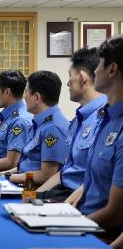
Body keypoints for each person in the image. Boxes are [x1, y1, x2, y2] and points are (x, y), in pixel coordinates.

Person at [67, 35, 123, 233]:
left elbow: (115, 213)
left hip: (101, 231)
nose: (95, 70)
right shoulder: (105, 118)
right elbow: (90, 182)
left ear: (112, 69)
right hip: (83, 218)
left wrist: (68, 228)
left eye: (99, 64)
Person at [36, 48, 106, 201]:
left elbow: (95, 178)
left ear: (82, 77)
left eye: (70, 76)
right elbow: (65, 172)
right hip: (62, 191)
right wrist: (35, 196)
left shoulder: (105, 119)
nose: (67, 82)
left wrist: (65, 209)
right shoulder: (78, 120)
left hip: (80, 199)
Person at [8, 71, 69, 185]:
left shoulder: (53, 127)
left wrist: (10, 178)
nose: (24, 97)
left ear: (36, 97)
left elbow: (47, 175)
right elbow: (26, 164)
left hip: (34, 189)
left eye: (26, 92)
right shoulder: (40, 122)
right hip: (24, 181)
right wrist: (4, 175)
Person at [0, 70, 33, 171]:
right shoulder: (11, 116)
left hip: (4, 174)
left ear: (7, 92)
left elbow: (11, 162)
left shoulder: (19, 121)